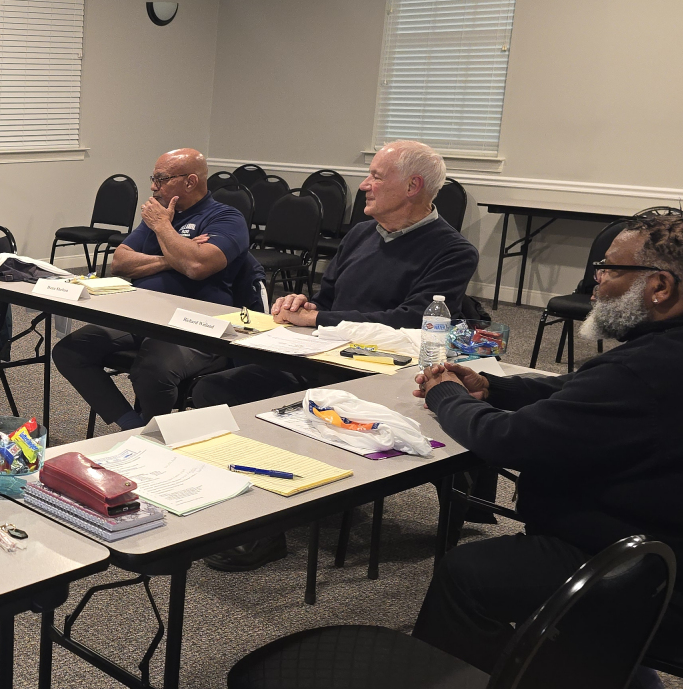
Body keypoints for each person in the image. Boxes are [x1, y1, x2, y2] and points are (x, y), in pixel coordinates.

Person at [412, 213, 683, 682]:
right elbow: (581, 393)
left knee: (467, 573)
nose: (595, 283)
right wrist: (493, 388)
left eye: (609, 269)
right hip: (661, 540)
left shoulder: (642, 371)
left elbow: (504, 440)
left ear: (659, 286)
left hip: (644, 568)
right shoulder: (658, 355)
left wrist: (446, 394)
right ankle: (602, 668)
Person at [192, 140, 481, 572]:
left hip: (379, 377)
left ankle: (266, 531)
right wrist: (302, 304)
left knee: (285, 410)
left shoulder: (452, 249)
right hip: (321, 361)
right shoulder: (362, 233)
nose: (364, 185)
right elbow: (327, 300)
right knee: (214, 389)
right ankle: (243, 504)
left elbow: (411, 319)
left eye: (376, 177)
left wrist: (321, 318)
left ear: (412, 187)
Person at [53, 148, 255, 428]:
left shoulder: (225, 218)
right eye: (154, 178)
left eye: (162, 179)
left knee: (152, 370)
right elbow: (120, 263)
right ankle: (134, 428)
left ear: (190, 181)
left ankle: (154, 437)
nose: (153, 187)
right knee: (70, 351)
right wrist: (173, 258)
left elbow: (197, 266)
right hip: (144, 316)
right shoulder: (157, 217)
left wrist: (163, 228)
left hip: (197, 325)